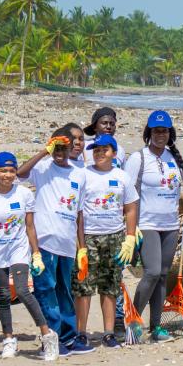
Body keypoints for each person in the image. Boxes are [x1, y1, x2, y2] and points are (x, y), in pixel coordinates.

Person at [0, 152, 58, 360]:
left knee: (23, 291)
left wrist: (36, 252)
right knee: (3, 296)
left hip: (19, 249)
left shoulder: (24, 194)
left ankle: (47, 335)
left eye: (11, 170)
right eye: (3, 171)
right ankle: (9, 340)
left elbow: (30, 226)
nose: (8, 175)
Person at [123, 110, 183, 343]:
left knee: (162, 275)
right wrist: (131, 228)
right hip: (147, 225)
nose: (160, 134)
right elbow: (127, 194)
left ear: (170, 133)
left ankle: (157, 328)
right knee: (151, 273)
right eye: (156, 130)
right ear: (148, 133)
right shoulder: (138, 159)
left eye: (164, 130)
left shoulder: (174, 158)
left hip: (170, 225)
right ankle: (132, 321)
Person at [25, 126, 91, 356]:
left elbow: (80, 212)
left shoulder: (79, 173)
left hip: (67, 244)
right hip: (44, 241)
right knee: (46, 289)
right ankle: (50, 338)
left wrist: (82, 248)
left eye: (66, 147)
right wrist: (45, 151)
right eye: (58, 148)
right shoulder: (43, 168)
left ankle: (69, 337)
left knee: (65, 290)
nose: (61, 152)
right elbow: (21, 173)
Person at [73, 134, 138, 349]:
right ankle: (80, 332)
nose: (100, 153)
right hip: (89, 237)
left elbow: (130, 208)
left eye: (105, 149)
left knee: (110, 287)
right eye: (96, 150)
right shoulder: (83, 175)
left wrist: (130, 237)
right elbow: (78, 211)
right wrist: (80, 245)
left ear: (114, 153)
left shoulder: (122, 177)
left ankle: (108, 333)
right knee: (83, 286)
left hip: (114, 237)